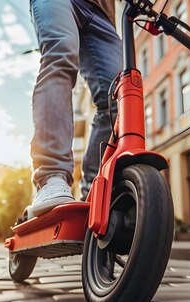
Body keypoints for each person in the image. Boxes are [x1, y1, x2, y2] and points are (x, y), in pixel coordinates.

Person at [26, 0, 121, 217]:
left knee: (118, 94)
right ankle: (52, 177)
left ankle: (96, 190)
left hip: (102, 13)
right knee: (60, 56)